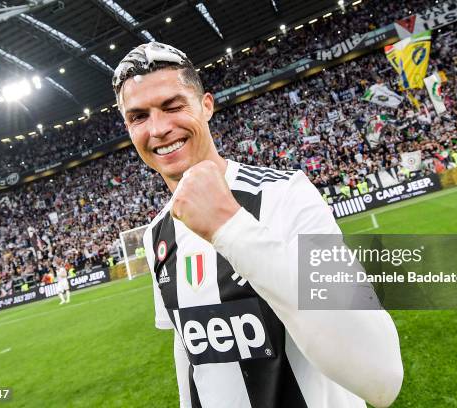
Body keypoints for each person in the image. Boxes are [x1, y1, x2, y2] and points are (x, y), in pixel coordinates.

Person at [113, 41, 403, 408]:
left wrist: (229, 227)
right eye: (139, 117)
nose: (158, 129)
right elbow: (188, 356)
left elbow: (381, 376)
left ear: (206, 106)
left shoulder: (286, 195)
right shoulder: (159, 232)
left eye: (173, 106)